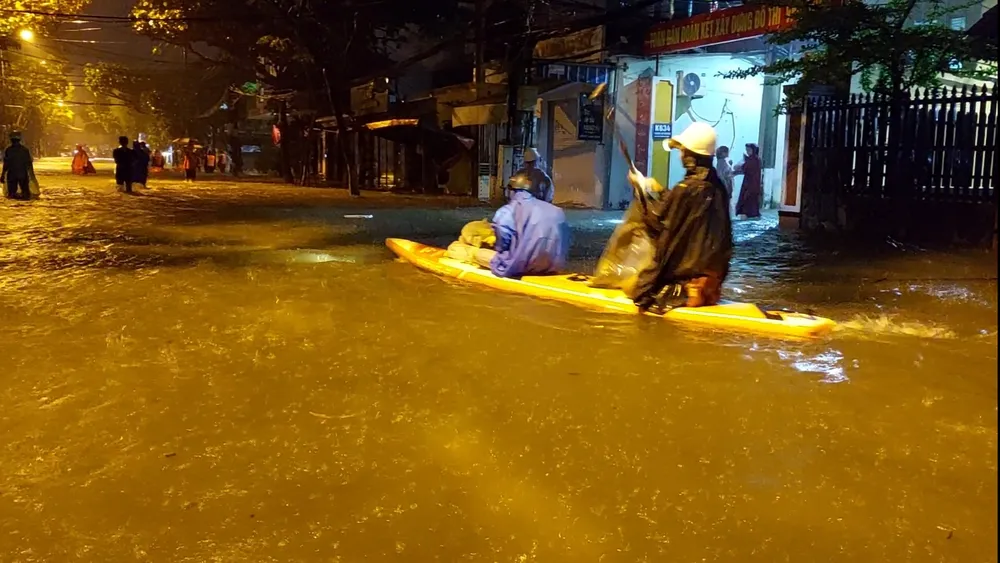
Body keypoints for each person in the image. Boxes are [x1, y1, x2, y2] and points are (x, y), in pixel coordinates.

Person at [625, 122, 732, 312]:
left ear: (691, 155)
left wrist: (641, 190)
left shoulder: (685, 189)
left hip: (683, 288)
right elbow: (684, 211)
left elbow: (657, 222)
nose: (681, 155)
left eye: (682, 151)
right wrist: (656, 189)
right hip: (712, 287)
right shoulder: (718, 187)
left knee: (637, 292)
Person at [445, 172, 570, 278]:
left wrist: (499, 249)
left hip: (520, 267)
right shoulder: (557, 211)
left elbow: (502, 244)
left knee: (462, 250)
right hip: (553, 267)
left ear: (511, 191)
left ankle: (467, 254)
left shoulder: (507, 211)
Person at [1, 131, 34, 199]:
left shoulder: (9, 150)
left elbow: (6, 164)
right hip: (22, 174)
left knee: (11, 195)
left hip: (12, 175)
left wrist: (2, 175)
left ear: (11, 140)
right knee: (26, 195)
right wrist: (31, 175)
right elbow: (29, 164)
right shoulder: (24, 150)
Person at [733, 143, 762, 219]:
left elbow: (745, 168)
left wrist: (736, 171)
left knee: (748, 200)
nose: (748, 151)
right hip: (748, 183)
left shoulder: (754, 160)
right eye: (747, 150)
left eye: (749, 150)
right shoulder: (751, 159)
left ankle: (750, 214)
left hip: (752, 184)